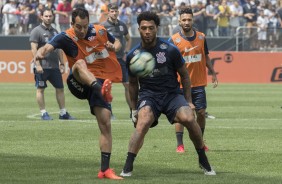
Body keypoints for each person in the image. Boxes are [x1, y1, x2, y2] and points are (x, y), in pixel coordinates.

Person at [120, 11, 216, 177]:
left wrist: (188, 101)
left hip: (172, 94)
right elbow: (133, 84)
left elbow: (185, 76)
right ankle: (127, 167)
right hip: (149, 96)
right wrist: (134, 110)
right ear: (139, 29)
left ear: (157, 28)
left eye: (151, 28)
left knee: (188, 118)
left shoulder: (170, 50)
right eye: (144, 28)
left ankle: (203, 160)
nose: (147, 31)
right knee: (142, 123)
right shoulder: (133, 56)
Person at [34, 8, 123, 180]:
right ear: (71, 24)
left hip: (98, 81)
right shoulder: (65, 37)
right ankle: (100, 89)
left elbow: (117, 42)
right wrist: (39, 54)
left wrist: (114, 46)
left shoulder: (100, 31)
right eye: (78, 27)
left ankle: (105, 170)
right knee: (80, 63)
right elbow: (46, 48)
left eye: (84, 26)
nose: (81, 30)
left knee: (105, 124)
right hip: (78, 83)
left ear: (89, 22)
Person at [169, 7, 218, 153]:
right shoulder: (174, 40)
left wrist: (213, 72)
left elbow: (206, 56)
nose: (186, 22)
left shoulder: (202, 37)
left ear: (193, 20)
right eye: (184, 20)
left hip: (198, 84)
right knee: (182, 116)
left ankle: (200, 142)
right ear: (179, 21)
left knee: (201, 113)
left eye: (189, 19)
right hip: (181, 85)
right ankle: (180, 144)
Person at [30, 8, 74, 120]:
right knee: (40, 89)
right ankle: (43, 113)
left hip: (54, 67)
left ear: (53, 17)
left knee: (60, 88)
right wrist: (38, 64)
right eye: (46, 16)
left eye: (50, 16)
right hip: (42, 67)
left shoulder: (55, 31)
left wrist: (62, 63)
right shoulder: (36, 31)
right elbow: (34, 49)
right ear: (41, 17)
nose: (48, 18)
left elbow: (59, 49)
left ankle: (63, 113)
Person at [101, 3, 132, 118]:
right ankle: (109, 112)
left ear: (118, 12)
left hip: (121, 59)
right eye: (112, 11)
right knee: (107, 86)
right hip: (109, 61)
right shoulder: (103, 26)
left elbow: (128, 39)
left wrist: (126, 52)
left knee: (127, 85)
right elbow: (99, 42)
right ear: (108, 12)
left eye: (116, 11)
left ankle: (132, 111)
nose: (114, 13)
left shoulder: (122, 25)